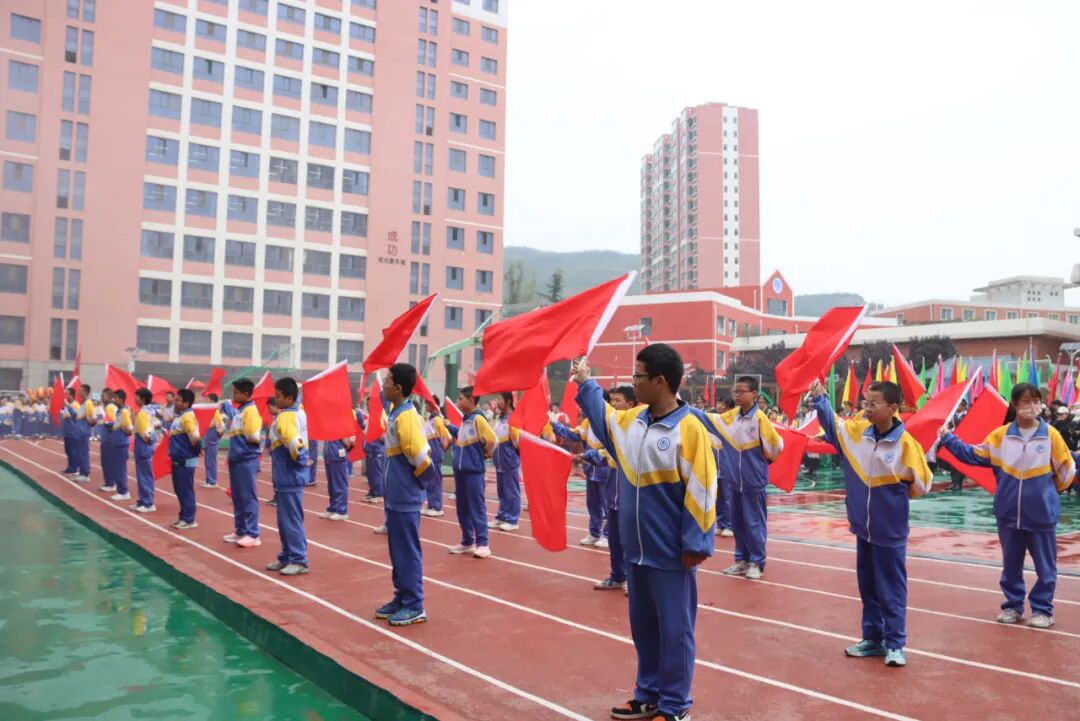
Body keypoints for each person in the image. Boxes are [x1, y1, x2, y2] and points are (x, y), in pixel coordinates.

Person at [572, 345, 716, 721]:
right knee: (645, 629)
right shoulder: (632, 421)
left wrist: (696, 543)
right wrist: (585, 382)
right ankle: (648, 694)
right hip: (636, 550)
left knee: (675, 631)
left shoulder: (690, 429)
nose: (632, 382)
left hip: (671, 554)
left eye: (638, 376)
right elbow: (603, 418)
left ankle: (675, 705)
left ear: (660, 381)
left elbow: (703, 489)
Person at [810, 379, 932, 667]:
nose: (867, 408)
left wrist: (892, 499)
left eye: (873, 404)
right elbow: (833, 426)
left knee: (891, 588)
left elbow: (923, 484)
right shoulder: (857, 433)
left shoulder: (906, 444)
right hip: (862, 527)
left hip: (889, 529)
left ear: (893, 408)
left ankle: (895, 644)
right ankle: (873, 639)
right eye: (865, 402)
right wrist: (820, 398)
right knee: (868, 587)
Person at [939, 382, 1075, 629]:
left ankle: (1042, 610)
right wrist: (948, 438)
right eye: (1026, 401)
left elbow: (1067, 470)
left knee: (1045, 567)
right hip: (1009, 513)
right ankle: (1013, 606)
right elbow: (973, 455)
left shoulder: (1051, 435)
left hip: (1041, 515)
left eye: (1036, 401)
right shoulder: (1000, 436)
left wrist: (1048, 494)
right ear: (1014, 404)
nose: (1032, 406)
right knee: (1011, 565)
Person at [697, 376, 782, 580]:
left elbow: (775, 446)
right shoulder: (730, 417)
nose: (737, 394)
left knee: (754, 522)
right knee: (737, 522)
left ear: (754, 394)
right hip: (734, 480)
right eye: (736, 391)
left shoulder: (760, 419)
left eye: (742, 391)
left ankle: (757, 562)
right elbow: (708, 420)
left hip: (753, 481)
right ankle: (741, 560)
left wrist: (758, 465)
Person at [374, 364, 432, 626]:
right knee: (398, 551)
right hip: (396, 496)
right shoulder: (396, 413)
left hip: (405, 496)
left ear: (398, 388)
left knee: (407, 551)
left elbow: (420, 457)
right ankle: (402, 596)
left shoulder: (406, 416)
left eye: (387, 381)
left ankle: (414, 604)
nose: (384, 385)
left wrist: (418, 485)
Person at [586, 384, 638, 592]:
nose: (613, 404)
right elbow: (607, 453)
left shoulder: (636, 427)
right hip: (613, 495)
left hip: (630, 495)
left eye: (618, 401)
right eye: (612, 400)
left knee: (631, 541)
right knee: (614, 540)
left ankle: (633, 581)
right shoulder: (614, 429)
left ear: (631, 404)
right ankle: (617, 576)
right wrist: (587, 456)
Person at [445, 386, 496, 558]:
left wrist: (484, 455)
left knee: (476, 507)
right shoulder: (465, 420)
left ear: (471, 400)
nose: (458, 402)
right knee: (462, 508)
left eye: (461, 399)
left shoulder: (478, 420)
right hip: (460, 471)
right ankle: (467, 541)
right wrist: (449, 427)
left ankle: (483, 544)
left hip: (473, 471)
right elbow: (462, 437)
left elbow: (492, 440)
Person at [266, 377, 310, 576]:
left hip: (289, 475)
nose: (275, 400)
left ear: (289, 398)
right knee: (285, 520)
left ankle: (298, 559)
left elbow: (294, 442)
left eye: (278, 397)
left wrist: (300, 462)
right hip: (288, 475)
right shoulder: (298, 412)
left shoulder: (286, 417)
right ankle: (286, 555)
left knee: (290, 519)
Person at [224, 378, 263, 547]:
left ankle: (252, 534)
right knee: (238, 496)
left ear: (245, 394)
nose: (233, 395)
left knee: (248, 497)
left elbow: (253, 436)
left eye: (236, 392)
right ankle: (240, 529)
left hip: (246, 459)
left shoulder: (251, 412)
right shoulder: (240, 411)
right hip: (237, 458)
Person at [168, 389, 202, 530]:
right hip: (179, 459)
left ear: (186, 403)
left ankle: (189, 519)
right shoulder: (180, 416)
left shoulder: (187, 417)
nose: (174, 402)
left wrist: (193, 453)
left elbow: (195, 437)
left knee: (185, 491)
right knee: (180, 490)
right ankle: (183, 517)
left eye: (178, 400)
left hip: (185, 460)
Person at [489, 392, 522, 532]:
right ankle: (502, 516)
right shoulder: (498, 419)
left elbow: (518, 443)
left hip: (509, 462)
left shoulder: (513, 420)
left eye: (500, 399)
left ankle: (512, 520)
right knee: (502, 490)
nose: (497, 401)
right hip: (499, 462)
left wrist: (512, 456)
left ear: (508, 402)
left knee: (512, 491)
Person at [421, 396, 451, 517]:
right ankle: (431, 504)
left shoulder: (437, 419)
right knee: (430, 481)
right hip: (430, 454)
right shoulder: (430, 420)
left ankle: (437, 507)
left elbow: (447, 436)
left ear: (433, 404)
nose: (425, 406)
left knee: (436, 481)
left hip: (435, 454)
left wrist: (441, 450)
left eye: (427, 403)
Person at [102, 389, 134, 501]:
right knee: (117, 468)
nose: (113, 400)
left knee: (120, 469)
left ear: (121, 399)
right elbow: (118, 424)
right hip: (116, 443)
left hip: (121, 444)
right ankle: (121, 490)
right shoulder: (119, 411)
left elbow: (129, 428)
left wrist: (124, 429)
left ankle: (124, 491)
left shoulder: (124, 411)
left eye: (115, 398)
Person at [132, 387, 158, 512]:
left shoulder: (143, 414)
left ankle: (148, 503)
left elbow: (147, 434)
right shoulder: (148, 411)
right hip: (143, 446)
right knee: (143, 475)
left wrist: (148, 439)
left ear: (143, 399)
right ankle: (142, 500)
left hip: (143, 446)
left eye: (136, 397)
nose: (135, 399)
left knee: (144, 475)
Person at [319, 429, 355, 522]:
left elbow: (349, 442)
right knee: (331, 486)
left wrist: (346, 444)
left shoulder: (342, 424)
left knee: (339, 485)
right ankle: (333, 508)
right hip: (330, 456)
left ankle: (341, 511)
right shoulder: (330, 424)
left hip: (338, 457)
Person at [201, 393, 228, 489]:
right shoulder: (209, 412)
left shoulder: (215, 412)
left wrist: (217, 437)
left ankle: (212, 481)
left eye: (207, 399)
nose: (205, 401)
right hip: (208, 436)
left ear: (211, 401)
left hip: (212, 437)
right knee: (207, 460)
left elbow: (222, 427)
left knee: (211, 461)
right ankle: (209, 480)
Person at [360, 404, 387, 503]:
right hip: (369, 450)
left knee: (376, 474)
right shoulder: (370, 418)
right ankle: (372, 492)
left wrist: (377, 433)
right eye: (367, 404)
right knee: (370, 475)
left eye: (370, 403)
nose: (368, 406)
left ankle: (379, 494)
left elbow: (383, 437)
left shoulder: (381, 417)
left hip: (376, 450)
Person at [71, 384, 96, 483]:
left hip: (83, 433)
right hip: (78, 432)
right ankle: (82, 471)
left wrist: (86, 417)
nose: (78, 392)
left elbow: (93, 418)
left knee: (83, 453)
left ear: (85, 392)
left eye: (80, 391)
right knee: (79, 453)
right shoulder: (82, 403)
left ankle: (85, 474)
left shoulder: (88, 403)